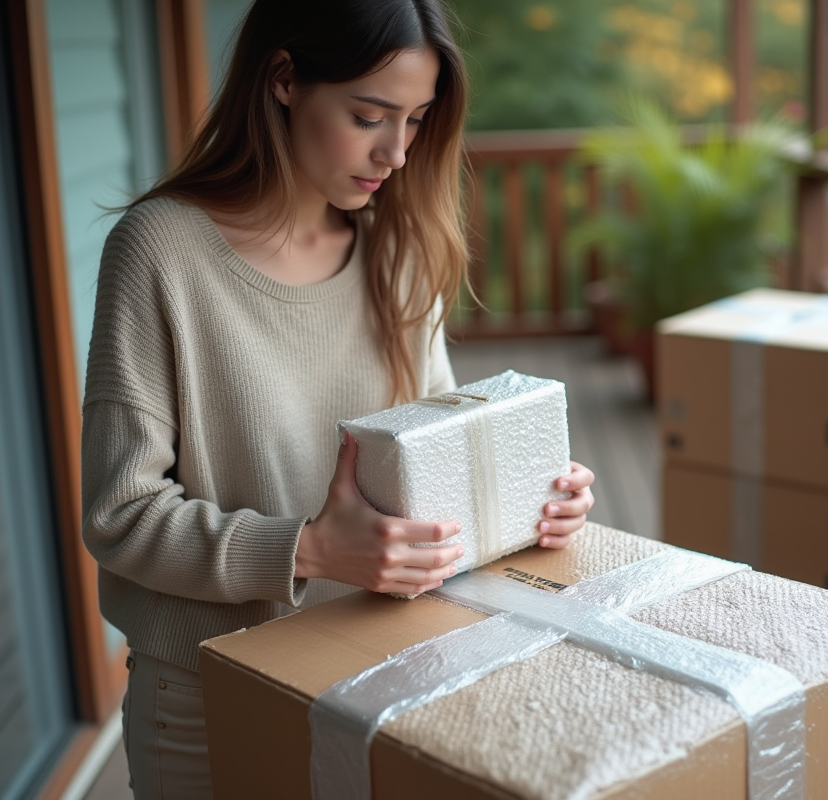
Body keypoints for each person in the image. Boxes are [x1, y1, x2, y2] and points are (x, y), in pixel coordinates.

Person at [79, 1, 596, 797]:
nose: (395, 151)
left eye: (417, 121)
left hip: (391, 668)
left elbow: (440, 454)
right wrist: (309, 550)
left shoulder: (399, 248)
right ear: (284, 80)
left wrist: (535, 502)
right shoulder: (160, 252)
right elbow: (121, 514)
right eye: (368, 116)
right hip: (209, 695)